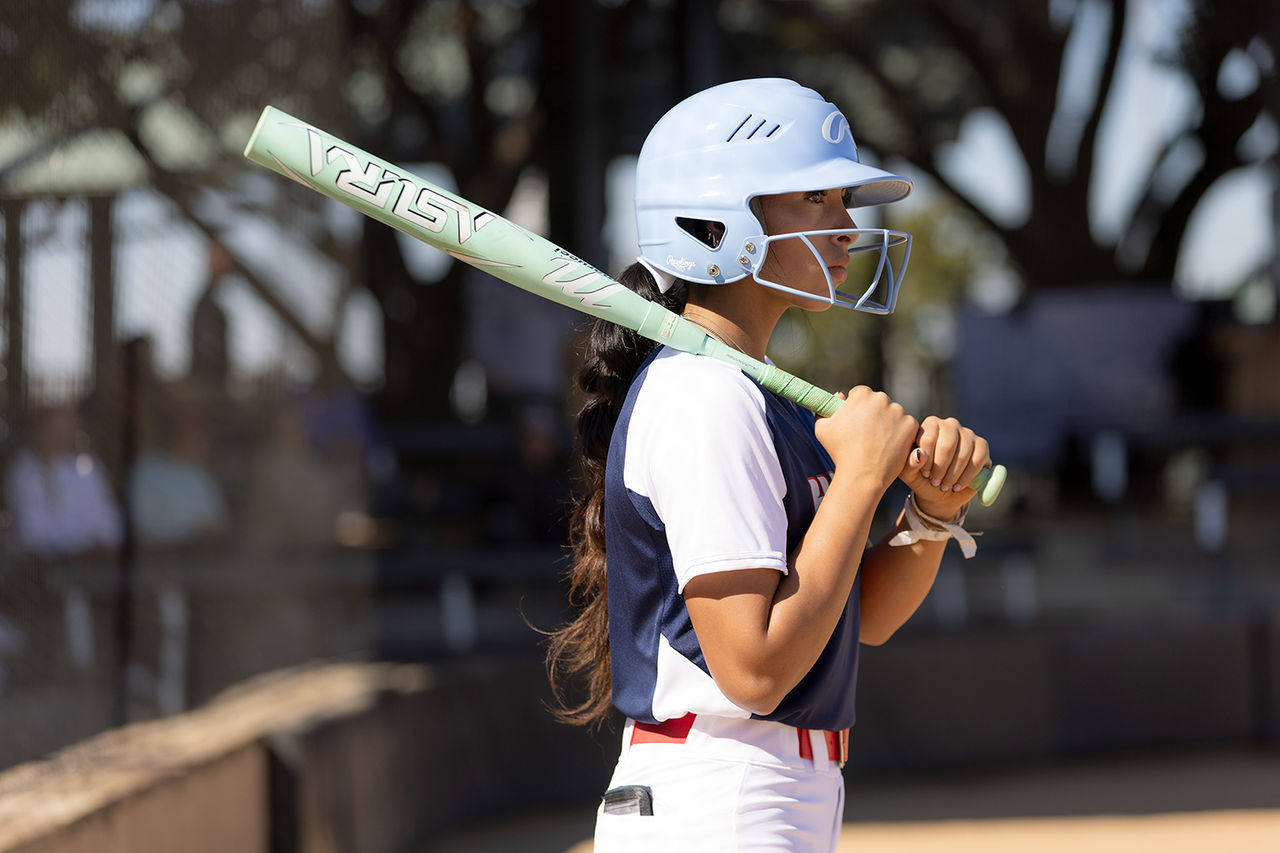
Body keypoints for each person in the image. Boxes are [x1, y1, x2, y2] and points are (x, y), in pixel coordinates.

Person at [545, 79, 992, 851]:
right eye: (815, 199)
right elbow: (753, 669)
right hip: (724, 791)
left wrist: (930, 511)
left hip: (766, 790)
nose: (849, 227)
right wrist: (857, 478)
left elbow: (861, 616)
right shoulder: (701, 394)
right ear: (717, 220)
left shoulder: (754, 392)